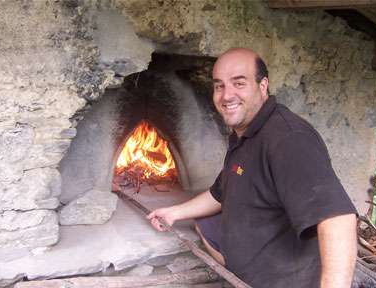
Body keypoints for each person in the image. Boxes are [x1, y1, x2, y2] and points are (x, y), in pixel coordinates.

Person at [147, 48, 357, 288]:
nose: (226, 95)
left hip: (280, 279)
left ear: (263, 85)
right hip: (245, 263)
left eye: (239, 83)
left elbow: (337, 218)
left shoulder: (289, 139)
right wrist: (174, 213)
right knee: (203, 222)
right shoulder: (247, 133)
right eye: (219, 86)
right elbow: (220, 192)